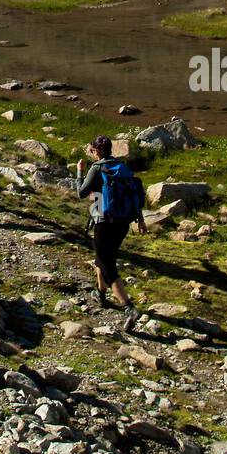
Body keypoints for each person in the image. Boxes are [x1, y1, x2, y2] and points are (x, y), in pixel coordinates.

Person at [77, 135, 146, 331]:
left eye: (92, 151)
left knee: (107, 265)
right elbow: (132, 193)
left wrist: (79, 172)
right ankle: (100, 293)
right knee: (103, 257)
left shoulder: (97, 168)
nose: (91, 154)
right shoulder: (121, 168)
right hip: (123, 222)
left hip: (104, 222)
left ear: (96, 151)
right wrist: (140, 219)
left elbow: (81, 193)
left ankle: (128, 307)